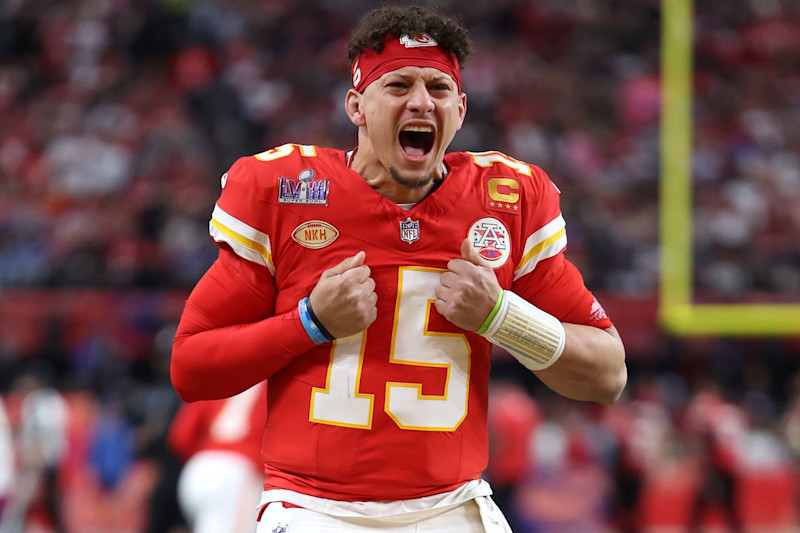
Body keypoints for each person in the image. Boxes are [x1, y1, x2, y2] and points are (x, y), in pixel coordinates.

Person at [170, 5, 627, 532]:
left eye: (437, 88)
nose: (420, 101)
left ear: (460, 108)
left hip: (451, 507)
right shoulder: (287, 192)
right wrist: (309, 323)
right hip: (315, 509)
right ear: (356, 107)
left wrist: (502, 316)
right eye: (399, 84)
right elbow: (191, 366)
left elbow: (608, 373)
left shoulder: (506, 199)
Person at [167, 381, 267, 533]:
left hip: (199, 468)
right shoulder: (275, 381)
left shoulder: (219, 376)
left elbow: (180, 436)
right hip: (240, 473)